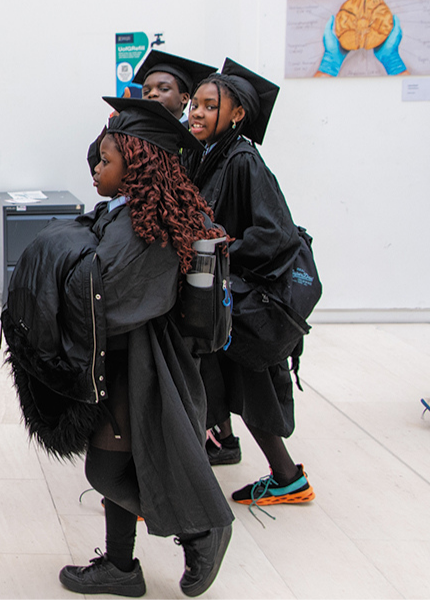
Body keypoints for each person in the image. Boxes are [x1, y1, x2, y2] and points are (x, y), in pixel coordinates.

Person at [9, 97, 235, 597]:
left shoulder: (145, 227)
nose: (95, 168)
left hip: (140, 370)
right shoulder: (134, 213)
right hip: (120, 361)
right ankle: (120, 566)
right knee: (123, 462)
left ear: (135, 166)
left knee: (106, 469)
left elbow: (105, 296)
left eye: (106, 161)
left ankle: (201, 528)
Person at [186, 60, 315, 507]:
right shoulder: (210, 154)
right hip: (227, 299)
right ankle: (274, 472)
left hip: (248, 303)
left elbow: (276, 233)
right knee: (229, 383)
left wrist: (222, 248)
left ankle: (285, 478)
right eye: (194, 104)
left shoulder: (242, 158)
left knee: (249, 386)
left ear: (237, 114)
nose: (196, 113)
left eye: (209, 105)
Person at [88, 50, 215, 174]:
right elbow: (100, 167)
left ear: (185, 97)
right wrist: (115, 126)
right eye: (146, 91)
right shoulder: (137, 133)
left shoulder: (196, 135)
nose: (153, 94)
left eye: (164, 89)